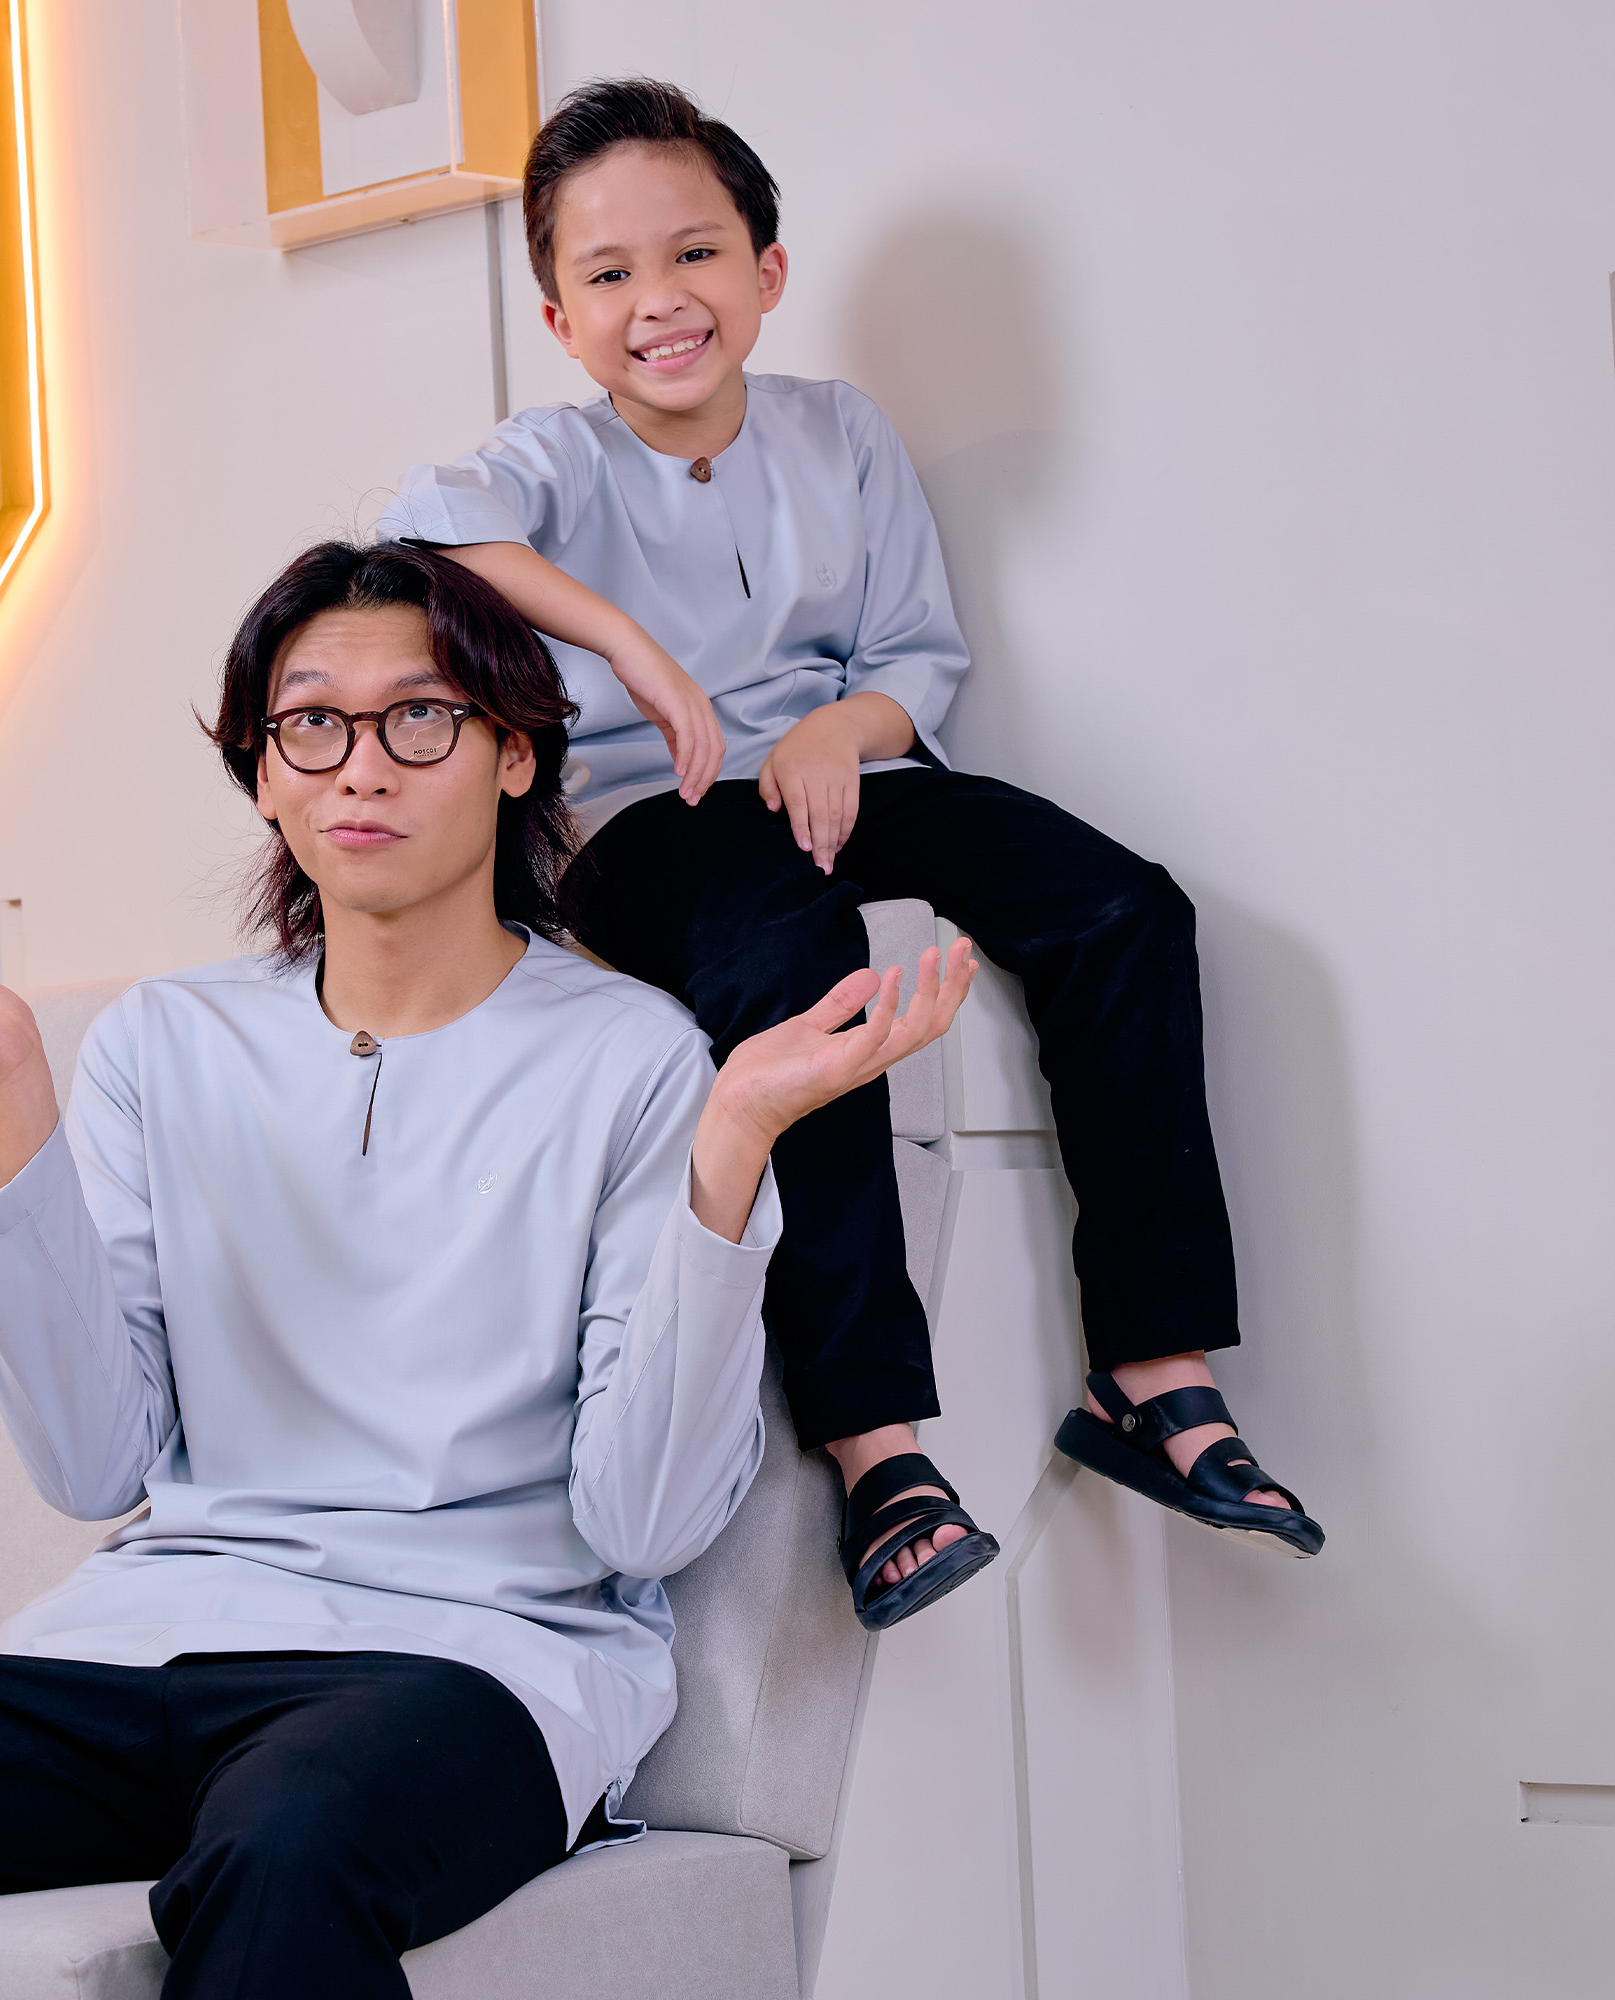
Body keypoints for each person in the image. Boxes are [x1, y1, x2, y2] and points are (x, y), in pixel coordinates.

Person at [0, 542, 973, 2000]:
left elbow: (641, 1521)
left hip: (477, 1664)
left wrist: (733, 1153)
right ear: (264, 775)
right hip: (138, 1645)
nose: (359, 768)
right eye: (312, 723)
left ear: (516, 755)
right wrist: (15, 1096)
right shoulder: (163, 1043)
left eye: (420, 717)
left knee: (288, 1854)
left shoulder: (633, 1058)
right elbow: (94, 1463)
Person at [380, 78, 1323, 1634]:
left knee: (1121, 906)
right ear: (560, 320)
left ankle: (1154, 1371)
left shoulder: (842, 432)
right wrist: (636, 652)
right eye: (609, 275)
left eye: (694, 254)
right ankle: (878, 1448)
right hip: (646, 817)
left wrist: (841, 729)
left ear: (766, 271)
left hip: (836, 777)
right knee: (792, 967)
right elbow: (424, 537)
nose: (658, 301)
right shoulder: (553, 460)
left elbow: (912, 656)